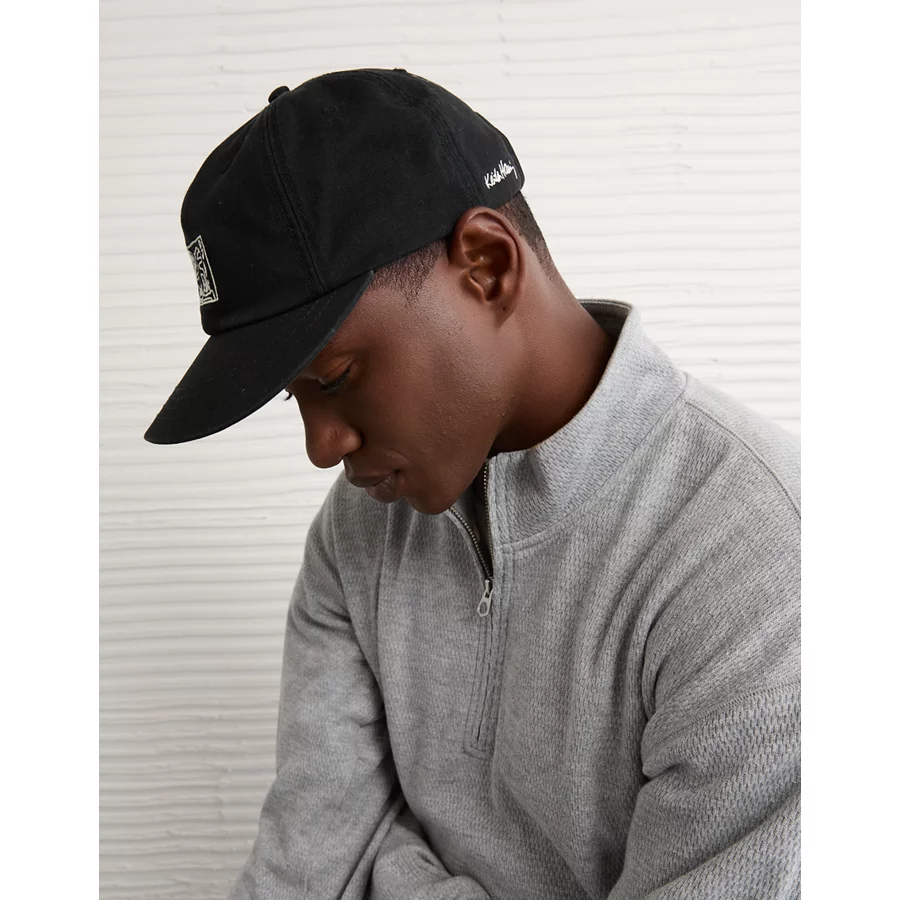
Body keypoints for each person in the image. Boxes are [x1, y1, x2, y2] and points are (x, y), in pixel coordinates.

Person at [145, 68, 800, 900]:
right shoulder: (357, 532)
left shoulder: (766, 565)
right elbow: (305, 869)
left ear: (488, 265)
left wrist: (400, 875)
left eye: (335, 376)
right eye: (293, 396)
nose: (320, 446)